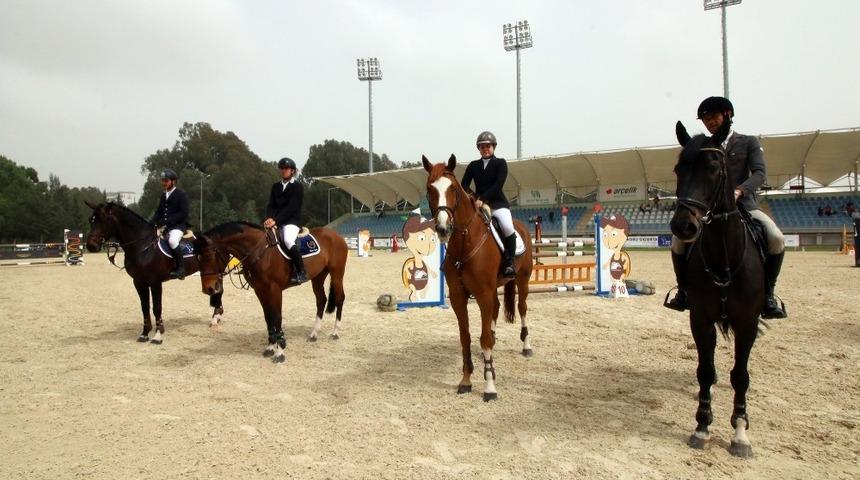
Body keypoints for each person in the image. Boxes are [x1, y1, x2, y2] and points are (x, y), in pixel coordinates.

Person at [665, 96, 787, 319]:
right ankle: (683, 291)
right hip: (710, 208)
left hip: (744, 205)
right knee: (678, 241)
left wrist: (739, 191)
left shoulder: (748, 142)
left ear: (727, 115)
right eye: (705, 118)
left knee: (776, 237)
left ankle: (768, 294)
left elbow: (760, 173)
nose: (709, 121)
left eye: (713, 116)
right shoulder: (703, 146)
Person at [461, 131, 517, 277]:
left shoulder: (500, 163)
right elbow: (464, 185)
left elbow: (498, 185)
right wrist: (474, 198)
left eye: (488, 146)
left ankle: (510, 263)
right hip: (478, 204)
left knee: (507, 226)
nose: (485, 149)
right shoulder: (473, 165)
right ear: (478, 149)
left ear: (493, 147)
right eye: (482, 147)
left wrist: (482, 198)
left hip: (498, 203)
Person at [264, 157, 307, 285]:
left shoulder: (297, 187)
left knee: (288, 240)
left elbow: (292, 207)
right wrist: (269, 218)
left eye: (286, 168)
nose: (283, 170)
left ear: (292, 171)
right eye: (281, 168)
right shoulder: (275, 187)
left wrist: (275, 220)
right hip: (275, 221)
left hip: (291, 221)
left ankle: (301, 272)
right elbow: (271, 205)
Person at [149, 168, 189, 280]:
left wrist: (167, 221)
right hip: (166, 227)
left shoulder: (181, 194)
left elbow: (183, 213)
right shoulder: (163, 195)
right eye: (163, 181)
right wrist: (150, 223)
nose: (164, 183)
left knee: (172, 241)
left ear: (173, 181)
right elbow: (159, 212)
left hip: (178, 226)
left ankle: (181, 269)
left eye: (166, 181)